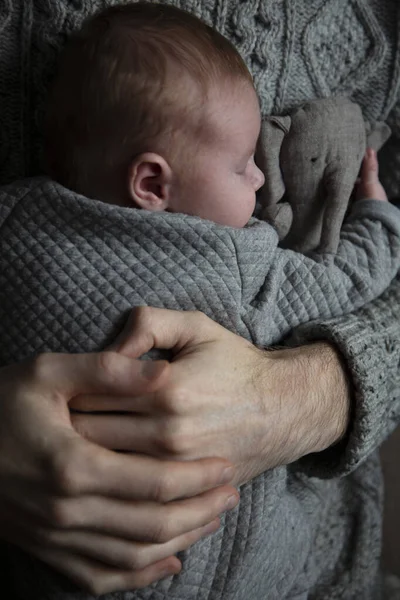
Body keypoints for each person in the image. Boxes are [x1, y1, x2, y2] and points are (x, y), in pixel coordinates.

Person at [0, 1, 399, 599]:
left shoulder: (14, 219)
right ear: (153, 184)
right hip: (224, 568)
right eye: (243, 166)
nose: (262, 180)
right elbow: (349, 278)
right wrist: (380, 220)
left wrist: (318, 392)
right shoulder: (234, 260)